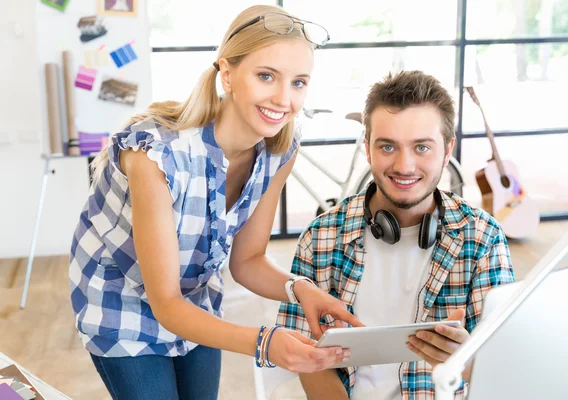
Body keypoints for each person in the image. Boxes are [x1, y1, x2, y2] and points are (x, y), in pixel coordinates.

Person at [69, 5, 362, 400]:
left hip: (194, 298)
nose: (283, 98)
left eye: (299, 82)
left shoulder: (280, 149)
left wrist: (301, 288)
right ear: (227, 74)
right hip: (120, 302)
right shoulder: (157, 155)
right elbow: (166, 303)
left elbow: (247, 261)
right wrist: (265, 342)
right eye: (266, 76)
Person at [276, 71, 515, 399]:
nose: (405, 166)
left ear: (447, 151)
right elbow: (306, 360)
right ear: (368, 149)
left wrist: (465, 360)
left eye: (421, 147)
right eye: (388, 146)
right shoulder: (320, 238)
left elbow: (505, 370)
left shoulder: (483, 239)